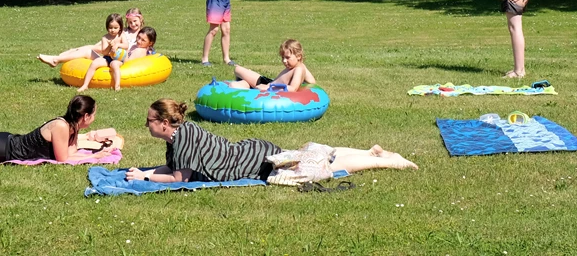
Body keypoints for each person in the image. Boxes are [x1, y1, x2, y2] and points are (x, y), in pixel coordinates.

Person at [125, 99, 417, 183]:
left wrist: (147, 178)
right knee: (311, 153)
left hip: (257, 163)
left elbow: (179, 177)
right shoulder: (180, 134)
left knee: (321, 166)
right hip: (251, 149)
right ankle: (371, 151)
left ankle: (388, 162)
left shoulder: (183, 140)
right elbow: (173, 168)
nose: (146, 124)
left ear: (164, 124)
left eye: (149, 120)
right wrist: (148, 172)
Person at [228, 39, 317, 92]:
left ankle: (247, 86)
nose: (284, 61)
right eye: (282, 57)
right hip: (268, 82)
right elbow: (312, 81)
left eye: (287, 57)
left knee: (233, 85)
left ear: (298, 56)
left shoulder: (298, 69)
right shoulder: (302, 66)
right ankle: (247, 83)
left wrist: (268, 88)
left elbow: (293, 88)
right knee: (237, 69)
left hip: (268, 87)